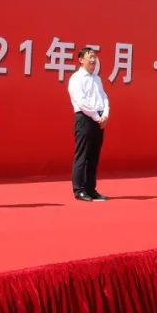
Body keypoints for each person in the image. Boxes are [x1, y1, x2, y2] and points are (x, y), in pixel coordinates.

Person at [68, 47, 110, 201]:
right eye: (90, 57)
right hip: (85, 119)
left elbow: (104, 97)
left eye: (94, 57)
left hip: (99, 119)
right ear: (81, 60)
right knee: (83, 155)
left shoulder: (97, 78)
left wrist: (105, 114)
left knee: (93, 156)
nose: (93, 60)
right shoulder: (76, 78)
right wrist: (96, 116)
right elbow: (81, 102)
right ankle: (79, 190)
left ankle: (91, 189)